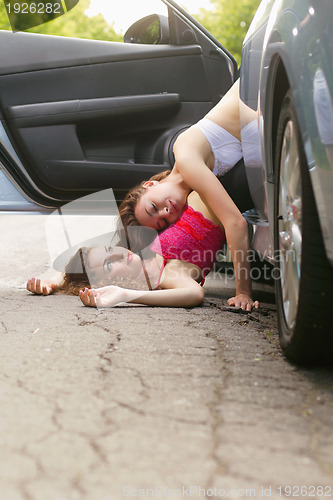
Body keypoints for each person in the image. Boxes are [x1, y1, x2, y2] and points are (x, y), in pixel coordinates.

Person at [118, 79, 257, 310]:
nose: (165, 212)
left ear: (150, 185)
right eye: (162, 221)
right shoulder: (192, 185)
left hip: (258, 91)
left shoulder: (186, 160)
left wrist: (243, 293)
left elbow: (235, 223)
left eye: (153, 207)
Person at [27, 190, 260, 310]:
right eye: (110, 264)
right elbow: (194, 294)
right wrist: (125, 296)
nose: (119, 253)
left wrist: (57, 279)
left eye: (110, 249)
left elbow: (89, 267)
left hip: (206, 175)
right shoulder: (165, 276)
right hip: (231, 189)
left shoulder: (139, 250)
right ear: (111, 283)